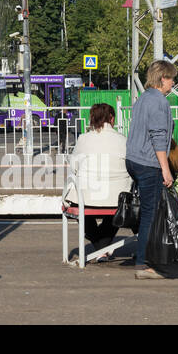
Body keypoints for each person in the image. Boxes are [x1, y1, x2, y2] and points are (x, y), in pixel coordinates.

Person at [125, 59, 177, 280]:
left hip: (134, 159)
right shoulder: (159, 101)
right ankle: (143, 263)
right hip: (148, 163)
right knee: (150, 214)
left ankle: (145, 256)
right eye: (172, 78)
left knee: (149, 210)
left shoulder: (142, 99)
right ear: (162, 78)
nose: (173, 83)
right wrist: (165, 169)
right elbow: (158, 136)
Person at [66, 102, 129, 259]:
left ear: (92, 119)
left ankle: (100, 247)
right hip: (118, 197)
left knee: (81, 208)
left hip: (87, 196)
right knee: (114, 209)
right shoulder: (123, 140)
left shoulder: (83, 139)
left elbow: (74, 166)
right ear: (112, 119)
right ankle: (103, 248)